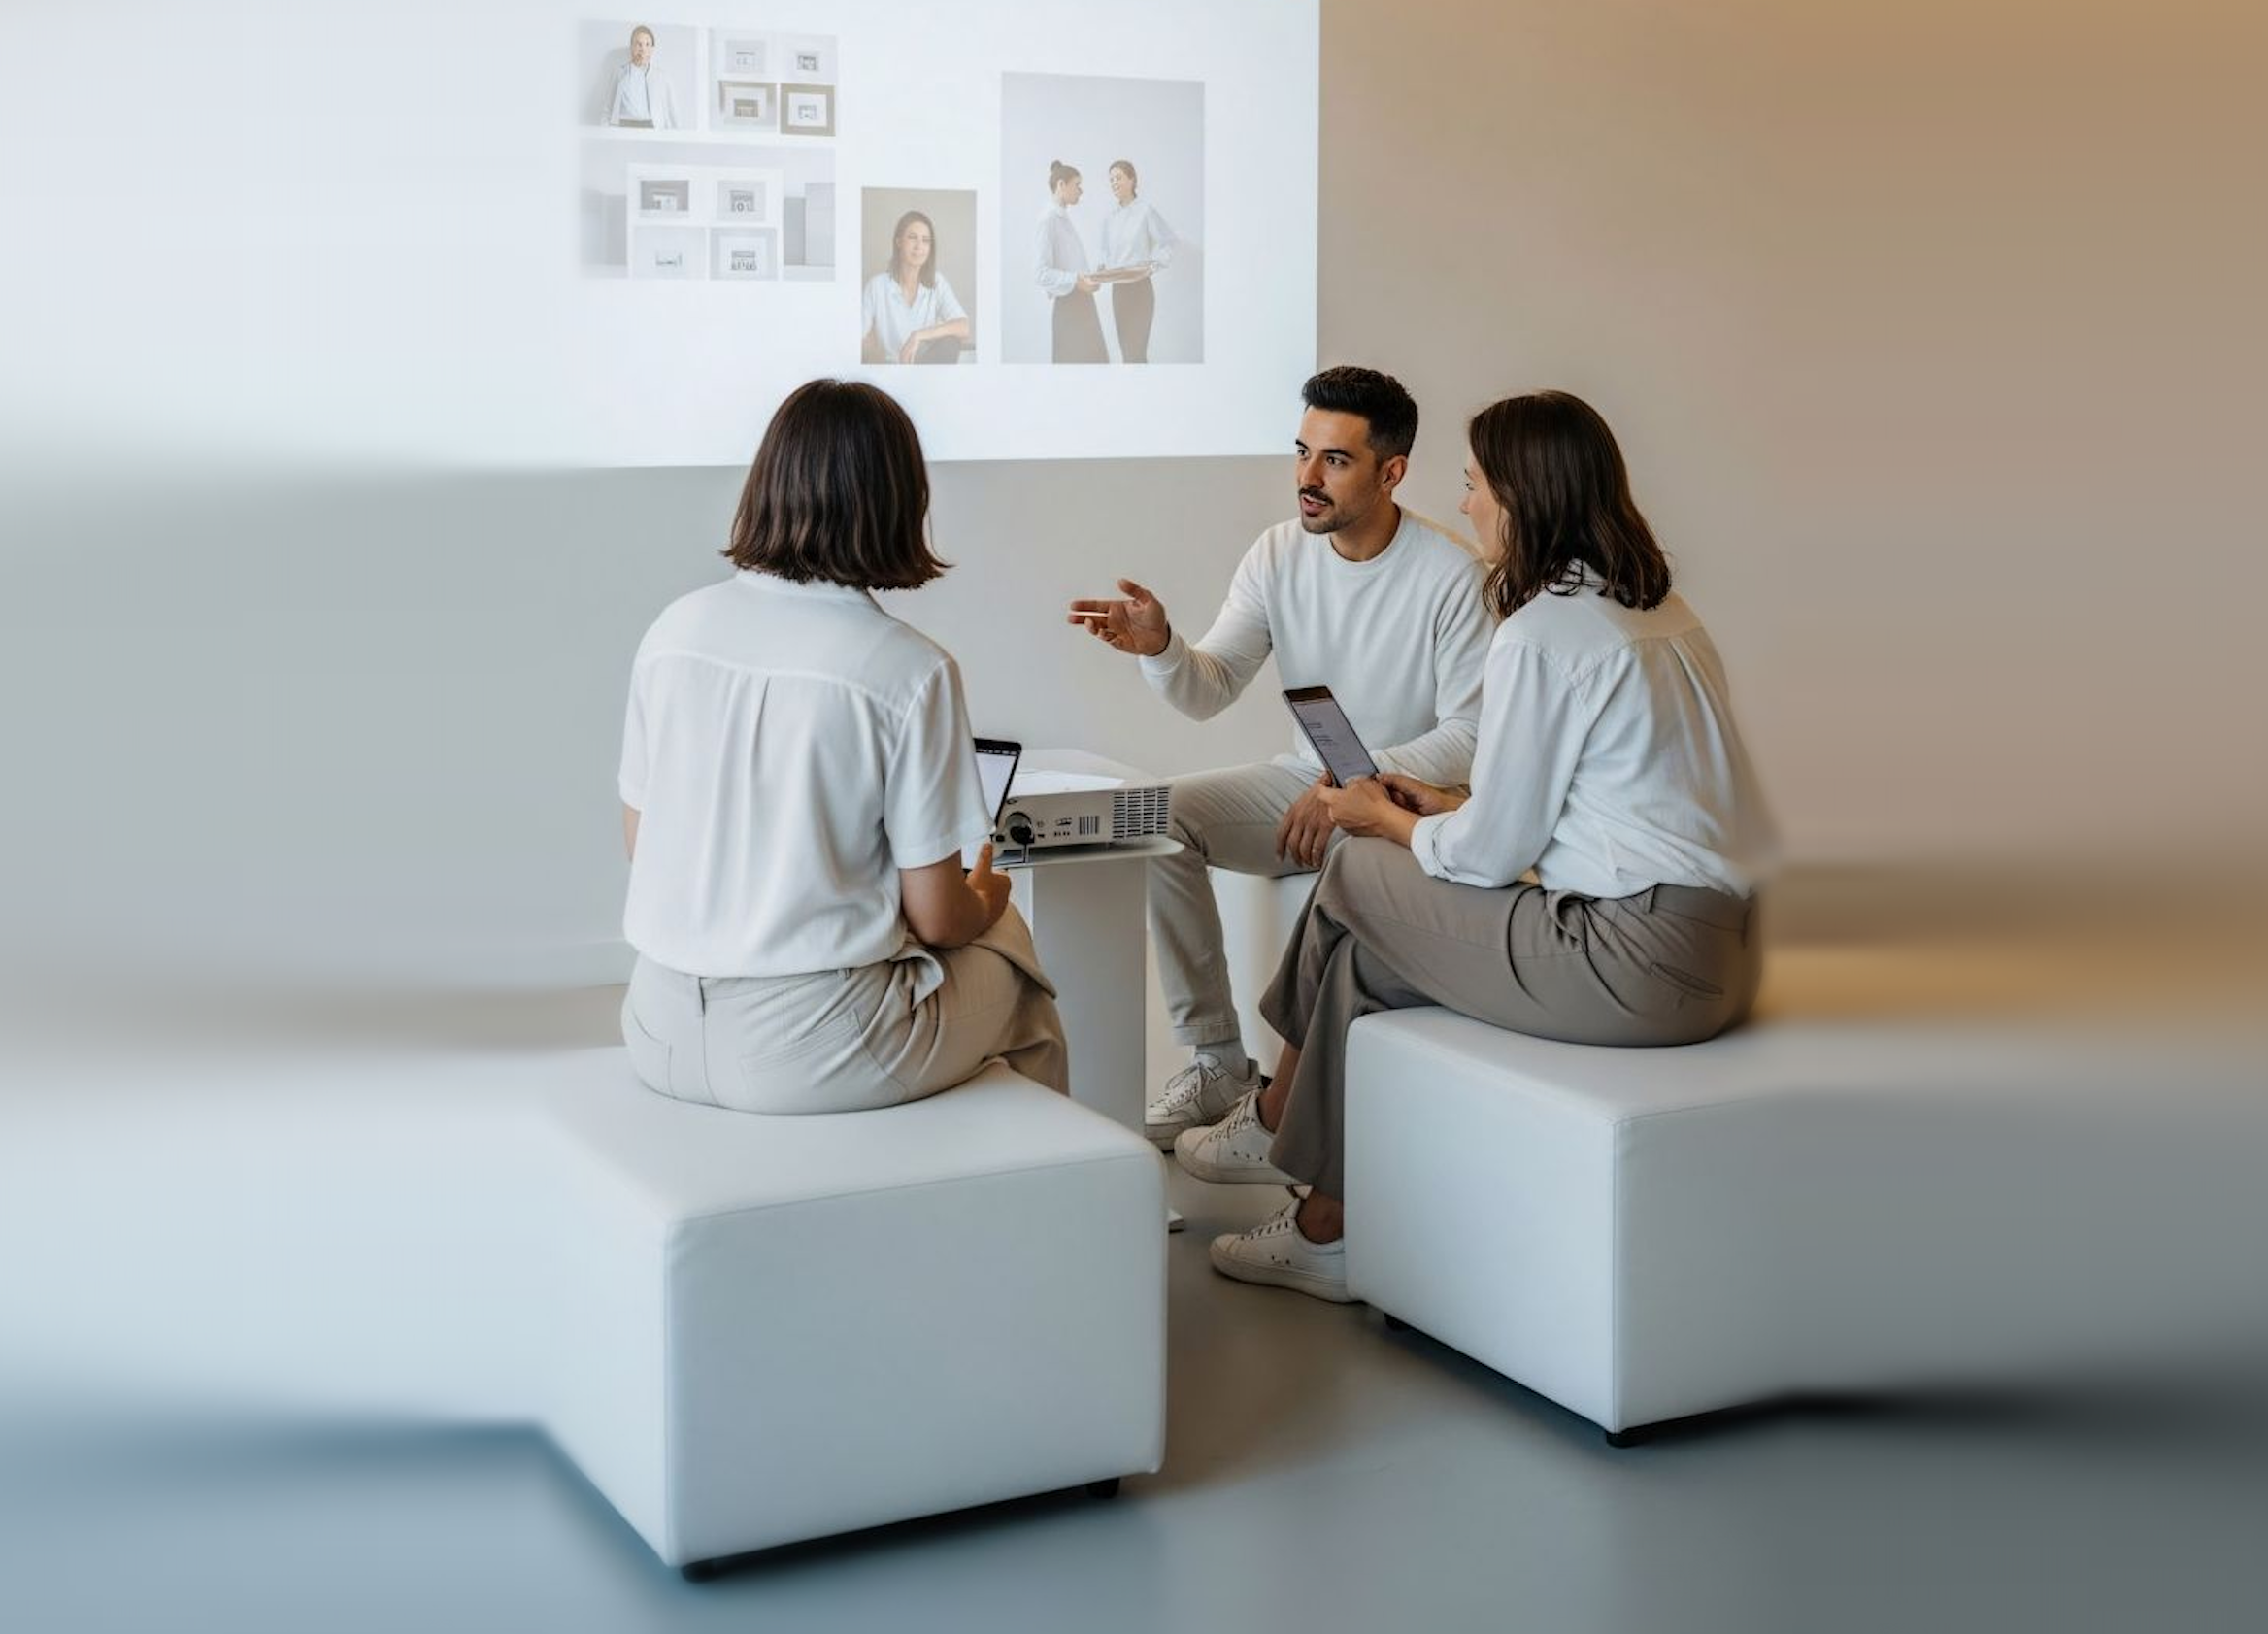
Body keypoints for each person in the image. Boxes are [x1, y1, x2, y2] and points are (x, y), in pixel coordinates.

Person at [1177, 391, 1770, 1304]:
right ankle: (1326, 1226)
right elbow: (1600, 806)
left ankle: (1272, 1119)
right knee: (1365, 964)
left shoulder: (1541, 633)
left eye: (1476, 485)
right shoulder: (1659, 613)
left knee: (1357, 864)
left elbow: (1491, 858)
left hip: (1635, 957)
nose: (1465, 505)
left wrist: (1385, 818)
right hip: (1721, 949)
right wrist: (1449, 801)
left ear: (1523, 497)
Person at [1068, 365, 1491, 1146]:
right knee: (1155, 816)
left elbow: (1470, 734)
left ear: (1391, 472)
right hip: (1310, 782)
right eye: (1302, 453)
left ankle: (1295, 1126)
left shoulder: (1454, 574)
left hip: (1408, 802)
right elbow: (1208, 689)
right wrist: (1161, 648)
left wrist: (1351, 784)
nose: (1307, 478)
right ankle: (1220, 1062)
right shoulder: (1276, 554)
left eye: (1335, 460)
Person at [617, 380, 1066, 1114]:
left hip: (656, 1025)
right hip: (809, 1048)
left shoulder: (672, 631)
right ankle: (1048, 1178)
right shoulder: (910, 668)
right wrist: (987, 900)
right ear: (900, 500)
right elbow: (938, 920)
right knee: (1014, 963)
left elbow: (645, 844)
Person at [1096, 158, 1180, 365]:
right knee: (1128, 355)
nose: (1114, 183)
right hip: (1118, 291)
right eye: (1111, 180)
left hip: (1140, 290)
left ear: (1132, 179)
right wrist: (1102, 268)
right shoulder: (1110, 218)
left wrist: (1152, 266)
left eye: (1119, 178)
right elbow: (1105, 253)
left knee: (1136, 354)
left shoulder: (1145, 210)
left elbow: (1168, 242)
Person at [861, 208, 971, 366]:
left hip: (926, 369)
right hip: (892, 370)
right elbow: (856, 335)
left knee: (950, 342)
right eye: (912, 237)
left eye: (926, 240)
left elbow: (964, 327)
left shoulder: (936, 281)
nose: (919, 246)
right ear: (899, 242)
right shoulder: (877, 285)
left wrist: (918, 335)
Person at [1034, 159, 1107, 364]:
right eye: (1077, 185)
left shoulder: (1061, 217)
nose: (1080, 191)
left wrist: (1092, 277)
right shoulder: (1048, 219)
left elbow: (1071, 266)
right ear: (1061, 185)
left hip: (1082, 304)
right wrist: (1077, 281)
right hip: (1070, 308)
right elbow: (1040, 273)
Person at [606, 22, 678, 129]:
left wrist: (676, 134)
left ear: (652, 49)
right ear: (631, 47)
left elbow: (671, 110)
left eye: (647, 44)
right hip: (624, 126)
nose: (643, 49)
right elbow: (607, 108)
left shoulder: (662, 77)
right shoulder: (619, 73)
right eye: (638, 44)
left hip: (652, 127)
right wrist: (605, 132)